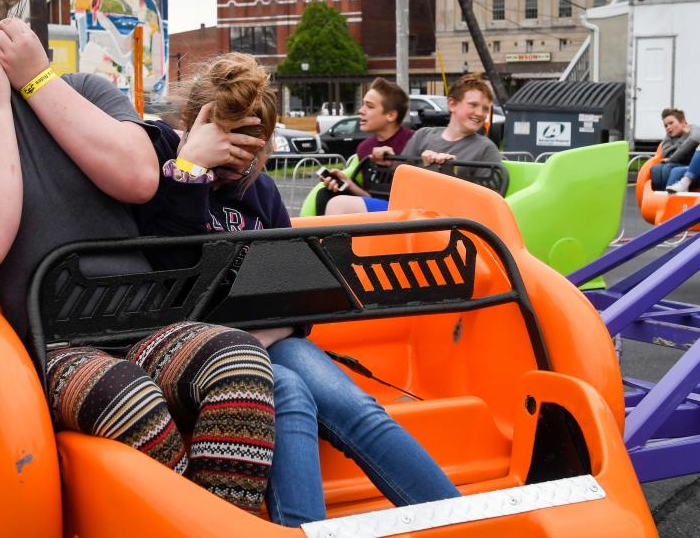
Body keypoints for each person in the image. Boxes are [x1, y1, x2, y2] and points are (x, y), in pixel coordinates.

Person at [0, 4, 275, 513]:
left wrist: (35, 79)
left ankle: (223, 520)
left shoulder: (81, 89)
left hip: (146, 322)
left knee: (239, 359)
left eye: (9, 40)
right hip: (48, 347)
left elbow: (138, 179)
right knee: (128, 400)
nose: (5, 53)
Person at [134, 53, 461, 527]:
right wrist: (192, 174)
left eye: (252, 151)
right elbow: (170, 274)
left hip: (268, 335)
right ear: (194, 123)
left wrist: (271, 328)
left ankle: (461, 519)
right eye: (228, 148)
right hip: (197, 347)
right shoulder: (163, 175)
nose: (237, 167)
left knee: (356, 407)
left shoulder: (259, 192)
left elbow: (296, 289)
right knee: (286, 391)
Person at [325, 75, 502, 216]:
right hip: (408, 210)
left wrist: (448, 171)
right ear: (452, 104)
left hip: (445, 218)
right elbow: (400, 181)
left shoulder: (486, 149)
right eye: (473, 105)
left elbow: (488, 203)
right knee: (334, 202)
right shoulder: (423, 135)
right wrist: (388, 162)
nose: (480, 113)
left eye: (485, 109)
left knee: (339, 205)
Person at [316, 78, 415, 214]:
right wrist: (347, 183)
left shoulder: (414, 141)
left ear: (391, 115)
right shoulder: (364, 147)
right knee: (325, 194)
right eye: (363, 105)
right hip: (375, 209)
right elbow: (369, 197)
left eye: (369, 106)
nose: (361, 110)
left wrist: (394, 164)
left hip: (407, 211)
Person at [650, 108, 700, 191]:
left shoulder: (693, 128)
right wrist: (685, 140)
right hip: (678, 164)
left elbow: (694, 139)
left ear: (683, 122)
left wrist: (685, 138)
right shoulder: (668, 137)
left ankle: (666, 197)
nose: (668, 127)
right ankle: (659, 197)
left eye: (671, 123)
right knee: (656, 169)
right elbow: (667, 153)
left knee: (670, 168)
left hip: (695, 169)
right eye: (666, 126)